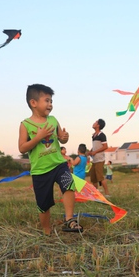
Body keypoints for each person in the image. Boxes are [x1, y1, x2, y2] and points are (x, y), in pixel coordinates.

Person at [18, 84, 83, 235]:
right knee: (43, 204)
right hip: (40, 170)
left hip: (58, 164)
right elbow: (22, 148)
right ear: (33, 103)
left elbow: (61, 139)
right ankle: (46, 231)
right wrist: (38, 137)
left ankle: (69, 219)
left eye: (51, 101)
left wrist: (65, 138)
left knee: (68, 183)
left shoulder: (53, 120)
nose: (50, 104)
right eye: (47, 100)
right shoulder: (25, 125)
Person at [87, 119, 110, 196]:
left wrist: (95, 152)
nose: (94, 123)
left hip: (100, 160)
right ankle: (96, 194)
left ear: (98, 125)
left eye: (95, 122)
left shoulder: (102, 135)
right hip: (94, 160)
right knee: (93, 178)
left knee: (100, 177)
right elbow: (95, 147)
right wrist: (90, 151)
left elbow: (105, 146)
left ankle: (107, 193)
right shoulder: (93, 135)